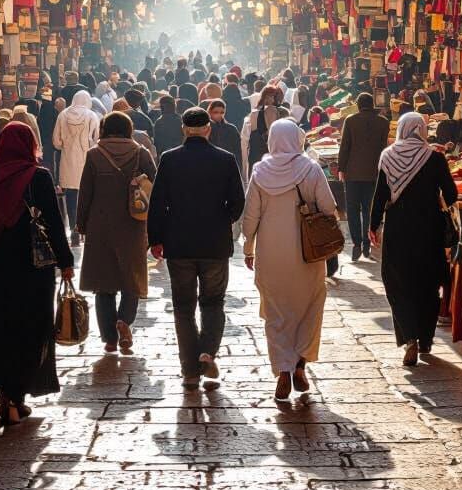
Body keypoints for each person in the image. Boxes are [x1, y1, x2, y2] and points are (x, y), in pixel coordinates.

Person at [0, 122, 73, 425]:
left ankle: (5, 389)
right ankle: (15, 396)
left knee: (0, 327)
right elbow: (53, 223)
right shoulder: (38, 177)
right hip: (33, 269)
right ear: (30, 143)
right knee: (30, 327)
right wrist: (66, 261)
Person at [148, 107, 245, 390]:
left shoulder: (169, 159)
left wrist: (156, 238)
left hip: (179, 244)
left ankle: (189, 370)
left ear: (184, 129)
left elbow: (157, 202)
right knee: (213, 303)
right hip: (214, 244)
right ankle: (207, 352)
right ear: (208, 129)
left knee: (183, 307)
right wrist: (221, 218)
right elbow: (237, 203)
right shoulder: (225, 160)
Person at [242, 119, 338, 401]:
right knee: (308, 307)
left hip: (271, 253)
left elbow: (250, 218)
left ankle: (282, 370)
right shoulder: (310, 169)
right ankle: (299, 364)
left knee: (276, 313)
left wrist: (249, 245)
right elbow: (329, 208)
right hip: (307, 252)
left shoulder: (260, 171)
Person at [369, 112, 458, 366]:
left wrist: (373, 226)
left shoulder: (388, 156)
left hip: (398, 228)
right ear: (421, 130)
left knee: (397, 281)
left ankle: (410, 338)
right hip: (429, 228)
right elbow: (451, 194)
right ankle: (426, 338)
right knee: (428, 283)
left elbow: (380, 195)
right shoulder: (435, 157)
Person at [76, 111, 156, 354]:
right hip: (133, 224)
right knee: (131, 278)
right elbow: (157, 185)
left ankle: (110, 339)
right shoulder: (141, 153)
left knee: (104, 283)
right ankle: (124, 321)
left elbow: (85, 193)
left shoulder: (94, 155)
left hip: (100, 226)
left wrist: (81, 224)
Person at [338, 92, 389, 262]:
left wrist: (341, 168)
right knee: (369, 209)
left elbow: (344, 147)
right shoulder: (383, 122)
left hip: (352, 173)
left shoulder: (350, 121)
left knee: (352, 209)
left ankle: (357, 243)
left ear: (359, 105)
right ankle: (367, 242)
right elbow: (384, 149)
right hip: (374, 173)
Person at [53, 89, 100, 244]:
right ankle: (85, 228)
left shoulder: (63, 115)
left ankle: (74, 228)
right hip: (87, 162)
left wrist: (67, 146)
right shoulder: (92, 116)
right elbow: (97, 140)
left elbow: (56, 142)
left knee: (71, 198)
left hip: (67, 163)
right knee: (88, 196)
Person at [247, 86, 283, 169]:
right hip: (267, 151)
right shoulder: (272, 110)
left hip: (254, 151)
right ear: (268, 97)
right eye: (275, 97)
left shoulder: (254, 111)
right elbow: (272, 132)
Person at [207, 99, 243, 177]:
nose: (219, 115)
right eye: (216, 112)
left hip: (228, 166)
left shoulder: (231, 129)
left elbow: (238, 152)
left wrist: (238, 170)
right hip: (210, 166)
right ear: (210, 112)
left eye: (222, 112)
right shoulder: (205, 129)